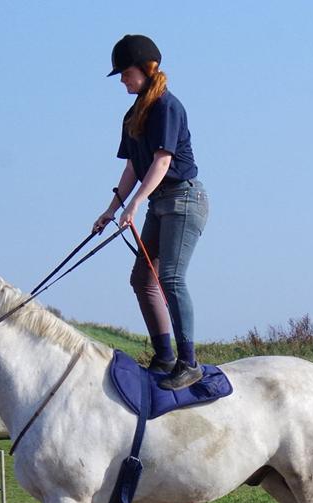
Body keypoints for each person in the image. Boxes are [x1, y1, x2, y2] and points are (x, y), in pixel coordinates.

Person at [93, 34, 209, 391]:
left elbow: (162, 162)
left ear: (146, 69)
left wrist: (134, 205)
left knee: (170, 278)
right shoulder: (133, 114)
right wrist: (111, 210)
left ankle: (189, 363)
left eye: (126, 73)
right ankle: (164, 356)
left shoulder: (167, 107)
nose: (123, 81)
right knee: (142, 279)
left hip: (184, 200)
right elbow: (133, 167)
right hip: (159, 203)